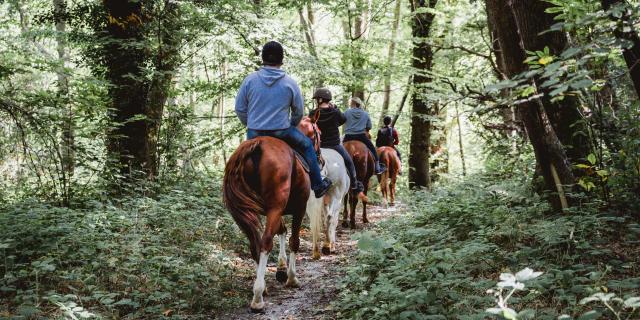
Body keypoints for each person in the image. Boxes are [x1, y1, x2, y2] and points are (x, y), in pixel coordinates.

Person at [235, 41, 332, 198]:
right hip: (281, 131)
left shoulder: (249, 80)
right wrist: (291, 125)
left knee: (238, 159)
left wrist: (252, 124)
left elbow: (240, 108)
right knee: (307, 146)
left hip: (254, 133)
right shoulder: (290, 82)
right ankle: (318, 185)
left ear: (263, 58)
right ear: (281, 60)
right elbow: (298, 111)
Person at [308, 88, 365, 194]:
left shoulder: (313, 113)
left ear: (320, 100)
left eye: (316, 99)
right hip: (334, 145)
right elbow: (343, 120)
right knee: (349, 162)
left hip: (318, 146)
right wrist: (335, 110)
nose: (316, 101)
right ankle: (354, 184)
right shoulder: (335, 112)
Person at [342, 97, 386, 174]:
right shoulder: (365, 114)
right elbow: (369, 126)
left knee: (338, 149)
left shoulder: (346, 112)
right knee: (372, 148)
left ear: (354, 103)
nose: (350, 105)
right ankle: (377, 167)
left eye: (350, 103)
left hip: (348, 136)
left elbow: (341, 121)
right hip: (361, 136)